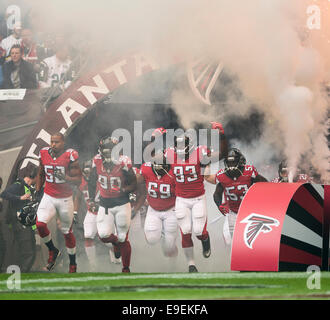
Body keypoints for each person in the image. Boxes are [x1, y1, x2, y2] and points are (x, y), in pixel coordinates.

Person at [164, 121, 228, 272]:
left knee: (199, 231)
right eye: (178, 147)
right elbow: (153, 156)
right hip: (181, 199)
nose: (180, 151)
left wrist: (221, 135)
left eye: (182, 148)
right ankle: (191, 265)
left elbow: (223, 154)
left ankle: (206, 240)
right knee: (185, 231)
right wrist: (154, 139)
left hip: (198, 198)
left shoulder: (200, 153)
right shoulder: (170, 153)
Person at [88, 136, 137, 273]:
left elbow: (134, 182)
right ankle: (116, 244)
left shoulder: (123, 161)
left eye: (111, 149)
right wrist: (92, 198)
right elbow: (92, 181)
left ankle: (126, 268)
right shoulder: (96, 160)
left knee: (123, 237)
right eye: (106, 149)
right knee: (103, 235)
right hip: (105, 204)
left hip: (122, 203)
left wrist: (126, 190)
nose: (108, 152)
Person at [35, 132, 82, 273]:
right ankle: (53, 251)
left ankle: (72, 264)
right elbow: (40, 173)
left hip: (65, 198)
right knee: (40, 224)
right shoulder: (43, 153)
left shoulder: (70, 156)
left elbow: (78, 180)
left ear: (63, 143)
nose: (53, 144)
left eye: (56, 142)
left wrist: (66, 177)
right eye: (52, 141)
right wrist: (37, 192)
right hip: (49, 196)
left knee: (67, 232)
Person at [205, 148, 268, 246]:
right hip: (232, 212)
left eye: (233, 162)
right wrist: (219, 205)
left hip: (250, 211)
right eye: (229, 163)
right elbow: (217, 194)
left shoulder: (249, 172)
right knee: (229, 240)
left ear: (240, 161)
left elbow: (264, 184)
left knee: (253, 239)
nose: (231, 166)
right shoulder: (222, 176)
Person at [135, 159, 178, 258]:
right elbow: (137, 182)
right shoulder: (146, 169)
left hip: (171, 209)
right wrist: (141, 196)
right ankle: (162, 235)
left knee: (170, 247)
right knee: (151, 239)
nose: (158, 171)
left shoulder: (174, 171)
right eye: (156, 168)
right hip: (153, 209)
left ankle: (173, 265)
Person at [0, 168, 38, 272]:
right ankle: (22, 276)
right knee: (27, 252)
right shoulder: (19, 184)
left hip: (27, 224)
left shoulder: (29, 188)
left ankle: (23, 274)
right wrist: (20, 198)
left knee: (31, 251)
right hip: (20, 224)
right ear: (33, 176)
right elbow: (4, 194)